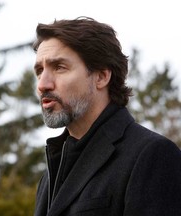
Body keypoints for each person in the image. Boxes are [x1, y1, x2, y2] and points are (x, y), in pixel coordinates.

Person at [32, 16, 181, 216]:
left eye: (59, 67)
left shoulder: (152, 155)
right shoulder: (50, 175)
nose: (43, 84)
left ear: (101, 76)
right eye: (40, 71)